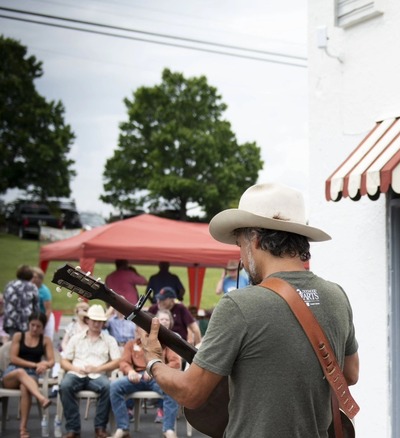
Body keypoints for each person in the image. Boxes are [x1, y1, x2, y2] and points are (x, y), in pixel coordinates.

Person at [142, 182, 359, 437]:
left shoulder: (239, 305)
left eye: (239, 245)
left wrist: (154, 361)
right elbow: (351, 374)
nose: (242, 259)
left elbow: (191, 393)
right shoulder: (337, 295)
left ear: (253, 240)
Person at [110, 309, 180, 438]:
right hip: (136, 377)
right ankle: (123, 427)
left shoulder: (163, 343)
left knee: (172, 389)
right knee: (115, 386)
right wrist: (130, 371)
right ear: (136, 329)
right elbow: (123, 362)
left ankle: (168, 429)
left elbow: (175, 363)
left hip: (157, 378)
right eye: (138, 326)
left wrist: (156, 370)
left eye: (142, 326)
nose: (140, 329)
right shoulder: (131, 344)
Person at [60, 304, 121, 438]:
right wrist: (75, 368)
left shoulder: (109, 340)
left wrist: (98, 368)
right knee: (65, 386)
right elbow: (64, 360)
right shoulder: (76, 338)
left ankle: (100, 427)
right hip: (77, 372)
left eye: (100, 321)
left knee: (108, 386)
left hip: (98, 374)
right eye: (94, 320)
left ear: (103, 322)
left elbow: (117, 361)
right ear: (87, 320)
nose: (97, 324)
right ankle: (73, 428)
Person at [1, 312, 55, 438]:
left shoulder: (45, 340)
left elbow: (52, 360)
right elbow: (14, 358)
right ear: (28, 324)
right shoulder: (19, 336)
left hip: (31, 376)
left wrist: (44, 364)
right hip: (13, 373)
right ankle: (41, 398)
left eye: (38, 326)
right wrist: (35, 365)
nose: (35, 329)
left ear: (43, 327)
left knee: (25, 387)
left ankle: (23, 429)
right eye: (32, 325)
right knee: (21, 372)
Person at [3, 265, 39, 338]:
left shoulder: (10, 285)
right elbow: (36, 307)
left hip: (12, 321)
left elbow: (6, 302)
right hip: (26, 321)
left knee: (13, 344)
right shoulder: (32, 287)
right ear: (30, 276)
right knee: (25, 344)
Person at [30, 267, 55, 341]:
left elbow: (48, 310)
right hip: (34, 318)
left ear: (40, 279)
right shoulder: (29, 288)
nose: (32, 279)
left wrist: (43, 324)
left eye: (35, 277)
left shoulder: (44, 291)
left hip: (45, 317)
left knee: (46, 338)